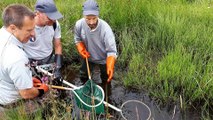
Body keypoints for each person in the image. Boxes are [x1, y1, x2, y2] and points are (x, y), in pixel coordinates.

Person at [0, 4, 49, 112]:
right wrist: (41, 90)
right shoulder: (16, 56)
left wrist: (26, 79)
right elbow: (26, 93)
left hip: (3, 94)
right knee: (44, 105)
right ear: (13, 28)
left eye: (34, 28)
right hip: (13, 107)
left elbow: (6, 71)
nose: (33, 34)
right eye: (29, 30)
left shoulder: (2, 35)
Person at [74, 0, 117, 85]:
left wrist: (110, 64)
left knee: (106, 78)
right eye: (88, 19)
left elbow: (112, 51)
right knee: (83, 75)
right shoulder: (79, 24)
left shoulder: (106, 29)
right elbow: (77, 39)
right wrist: (80, 47)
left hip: (104, 59)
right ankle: (85, 87)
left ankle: (106, 91)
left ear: (98, 15)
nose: (91, 22)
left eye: (94, 18)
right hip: (88, 57)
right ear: (83, 15)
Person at [23, 0, 63, 85]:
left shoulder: (55, 24)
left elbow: (58, 46)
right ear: (37, 13)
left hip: (48, 59)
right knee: (36, 85)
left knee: (54, 83)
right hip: (31, 62)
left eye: (54, 17)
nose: (52, 20)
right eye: (49, 18)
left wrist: (58, 68)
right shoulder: (26, 26)